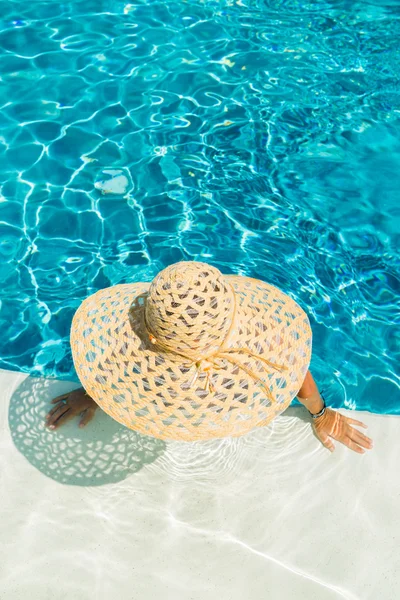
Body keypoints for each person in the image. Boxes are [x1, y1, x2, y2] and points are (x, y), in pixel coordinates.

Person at [46, 261, 373, 454]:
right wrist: (319, 412)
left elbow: (292, 365)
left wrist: (321, 414)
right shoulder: (260, 340)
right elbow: (291, 366)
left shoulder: (135, 349)